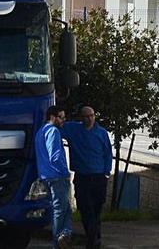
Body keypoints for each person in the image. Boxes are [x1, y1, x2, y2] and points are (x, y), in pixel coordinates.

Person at [62, 105, 113, 249]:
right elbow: (57, 127)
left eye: (91, 115)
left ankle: (94, 239)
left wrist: (106, 172)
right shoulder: (73, 129)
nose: (89, 119)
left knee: (96, 210)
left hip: (98, 177)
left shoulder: (101, 133)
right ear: (81, 118)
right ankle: (93, 238)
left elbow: (108, 153)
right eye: (86, 116)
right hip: (82, 177)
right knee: (85, 209)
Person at [36, 105, 73, 249]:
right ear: (53, 117)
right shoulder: (53, 131)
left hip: (45, 175)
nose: (64, 120)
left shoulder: (41, 131)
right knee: (61, 209)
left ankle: (65, 234)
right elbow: (55, 156)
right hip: (57, 175)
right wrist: (65, 172)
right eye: (61, 117)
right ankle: (59, 239)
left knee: (63, 208)